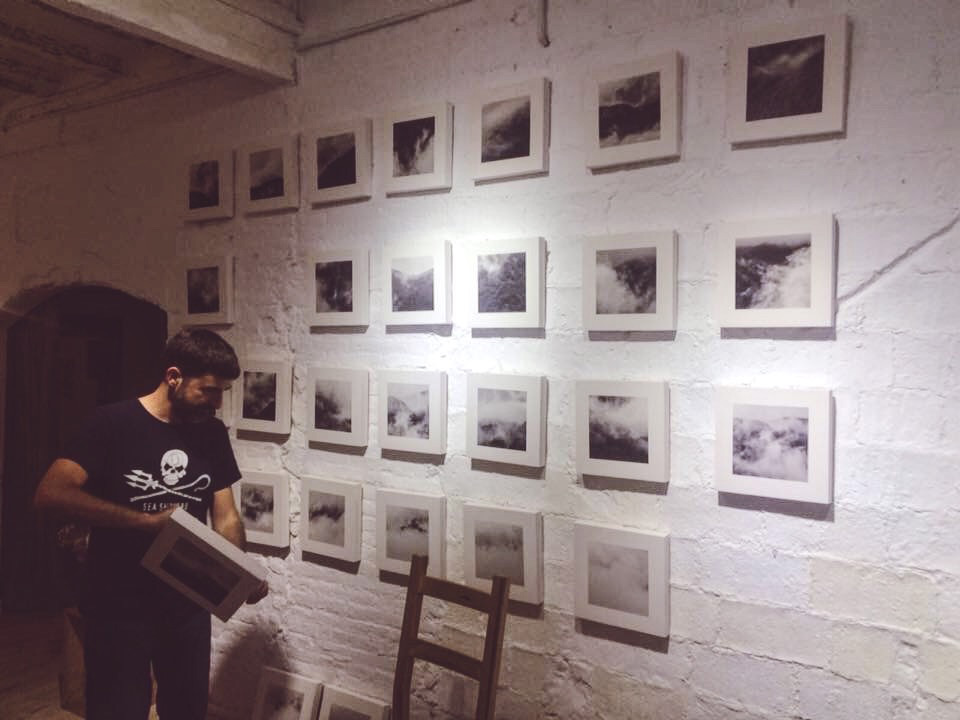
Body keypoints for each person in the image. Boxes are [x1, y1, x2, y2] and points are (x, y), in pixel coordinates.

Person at [34, 328, 268, 720]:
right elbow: (50, 494)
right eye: (209, 391)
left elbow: (225, 514)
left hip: (186, 603)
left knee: (186, 710)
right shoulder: (110, 424)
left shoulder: (211, 433)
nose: (216, 403)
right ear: (173, 376)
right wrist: (144, 522)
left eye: (222, 393)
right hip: (117, 603)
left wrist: (237, 573)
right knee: (118, 710)